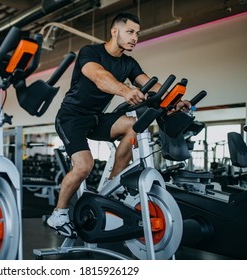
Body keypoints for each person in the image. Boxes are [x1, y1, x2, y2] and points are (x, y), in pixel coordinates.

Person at [47, 12, 190, 238]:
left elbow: (149, 84)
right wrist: (125, 90)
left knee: (133, 125)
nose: (135, 38)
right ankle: (59, 213)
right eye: (130, 32)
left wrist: (174, 101)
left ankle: (114, 185)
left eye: (137, 34)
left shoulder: (129, 63)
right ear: (115, 31)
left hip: (96, 118)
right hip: (71, 118)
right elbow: (99, 76)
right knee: (84, 166)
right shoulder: (90, 52)